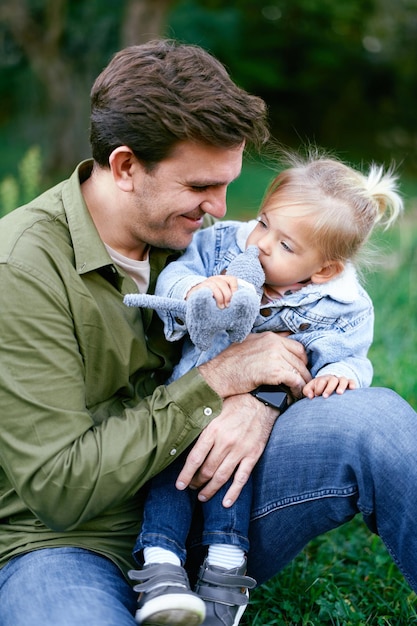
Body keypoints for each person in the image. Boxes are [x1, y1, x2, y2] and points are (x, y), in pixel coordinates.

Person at [0, 38, 416, 626]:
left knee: (380, 423)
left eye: (227, 183)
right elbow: (60, 487)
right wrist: (219, 382)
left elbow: (290, 328)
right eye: (199, 188)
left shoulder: (210, 242)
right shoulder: (20, 269)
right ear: (125, 166)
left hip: (213, 504)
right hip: (68, 542)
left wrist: (262, 399)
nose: (222, 209)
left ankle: (211, 573)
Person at [126, 150, 403, 626]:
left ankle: (224, 572)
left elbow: (345, 355)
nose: (261, 245)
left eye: (286, 245)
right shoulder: (222, 246)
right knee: (172, 476)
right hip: (188, 400)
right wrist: (197, 292)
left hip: (252, 432)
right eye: (263, 223)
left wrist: (342, 375)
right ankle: (161, 569)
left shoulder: (338, 303)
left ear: (324, 271)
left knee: (233, 481)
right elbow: (177, 273)